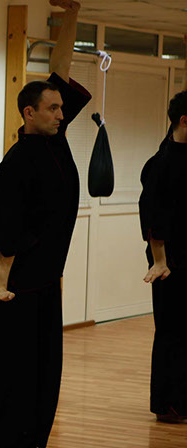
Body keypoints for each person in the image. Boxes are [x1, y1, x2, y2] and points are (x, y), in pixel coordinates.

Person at [0, 0, 91, 448]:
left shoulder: (56, 141)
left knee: (46, 366)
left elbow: (60, 69)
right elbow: (5, 228)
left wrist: (71, 16)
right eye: (52, 109)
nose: (61, 114)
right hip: (20, 284)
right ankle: (8, 446)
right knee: (16, 367)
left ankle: (33, 441)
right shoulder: (16, 163)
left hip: (48, 279)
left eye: (61, 108)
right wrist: (1, 283)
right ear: (29, 113)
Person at [138, 46, 187, 424]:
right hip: (170, 262)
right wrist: (159, 260)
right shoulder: (162, 162)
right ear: (184, 121)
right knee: (172, 331)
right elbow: (152, 214)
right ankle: (168, 403)